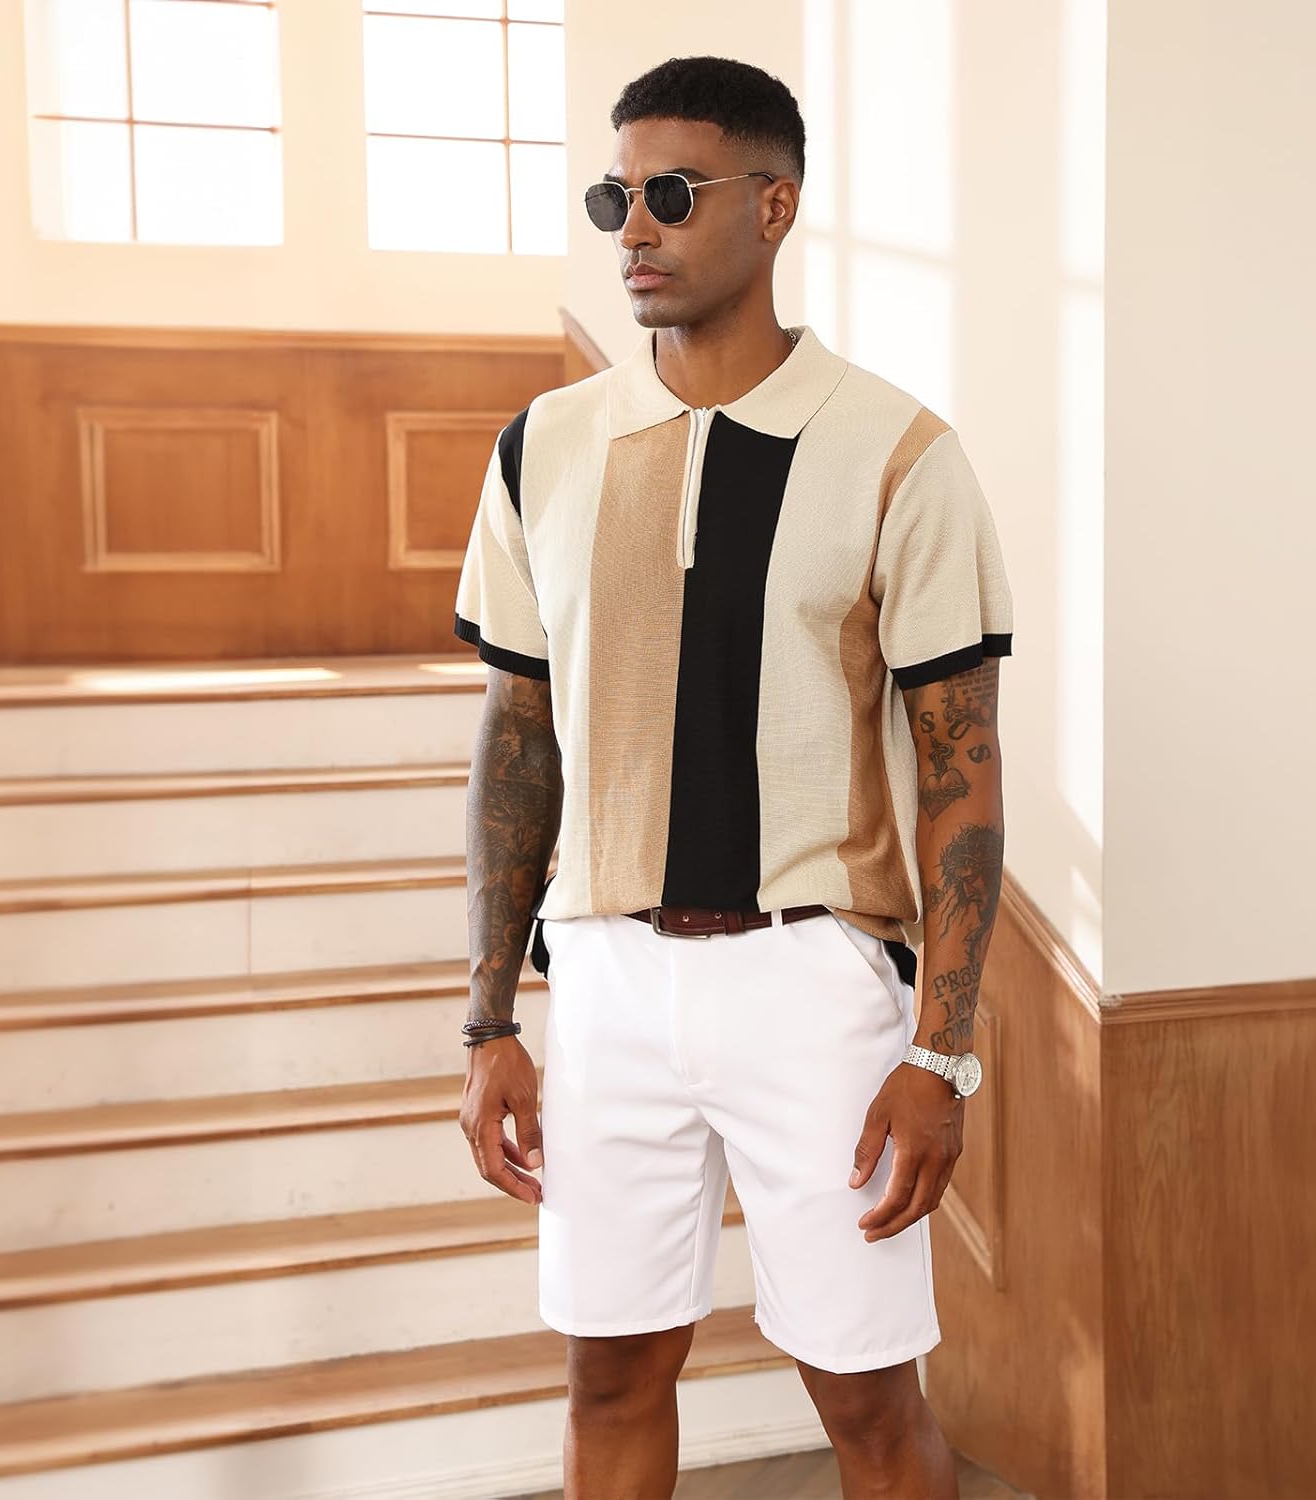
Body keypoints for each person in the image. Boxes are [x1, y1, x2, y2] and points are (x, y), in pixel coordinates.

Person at [455, 55, 1013, 1500]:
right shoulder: (541, 450)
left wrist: (941, 1054)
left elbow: (961, 767)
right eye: (614, 197)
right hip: (606, 980)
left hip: (813, 980)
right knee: (607, 1376)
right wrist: (489, 1019)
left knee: (869, 1403)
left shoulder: (899, 453)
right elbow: (518, 741)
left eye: (670, 193)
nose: (632, 228)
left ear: (774, 207)